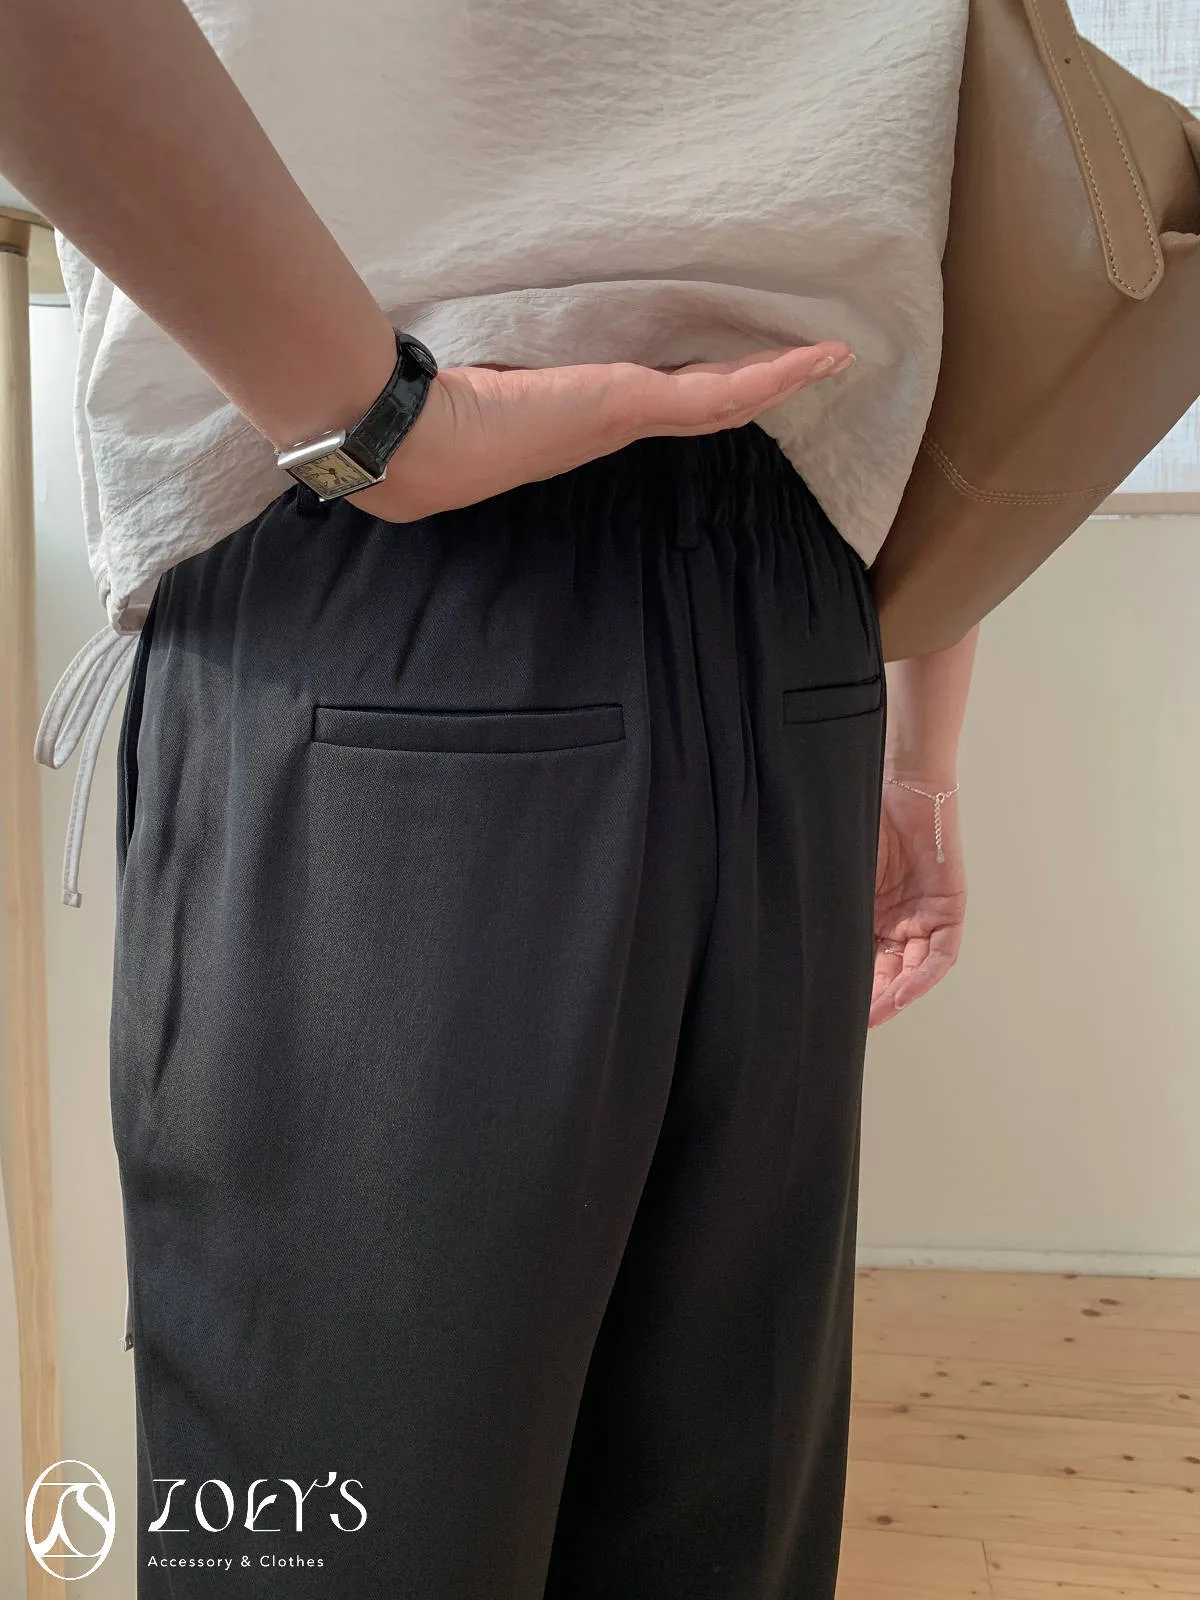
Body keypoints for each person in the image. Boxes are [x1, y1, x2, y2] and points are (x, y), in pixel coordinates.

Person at [3, 0, 976, 1593]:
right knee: (714, 1526)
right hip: (794, 618)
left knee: (342, 1525)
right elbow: (983, 176)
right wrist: (922, 748)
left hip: (398, 579)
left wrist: (379, 421)